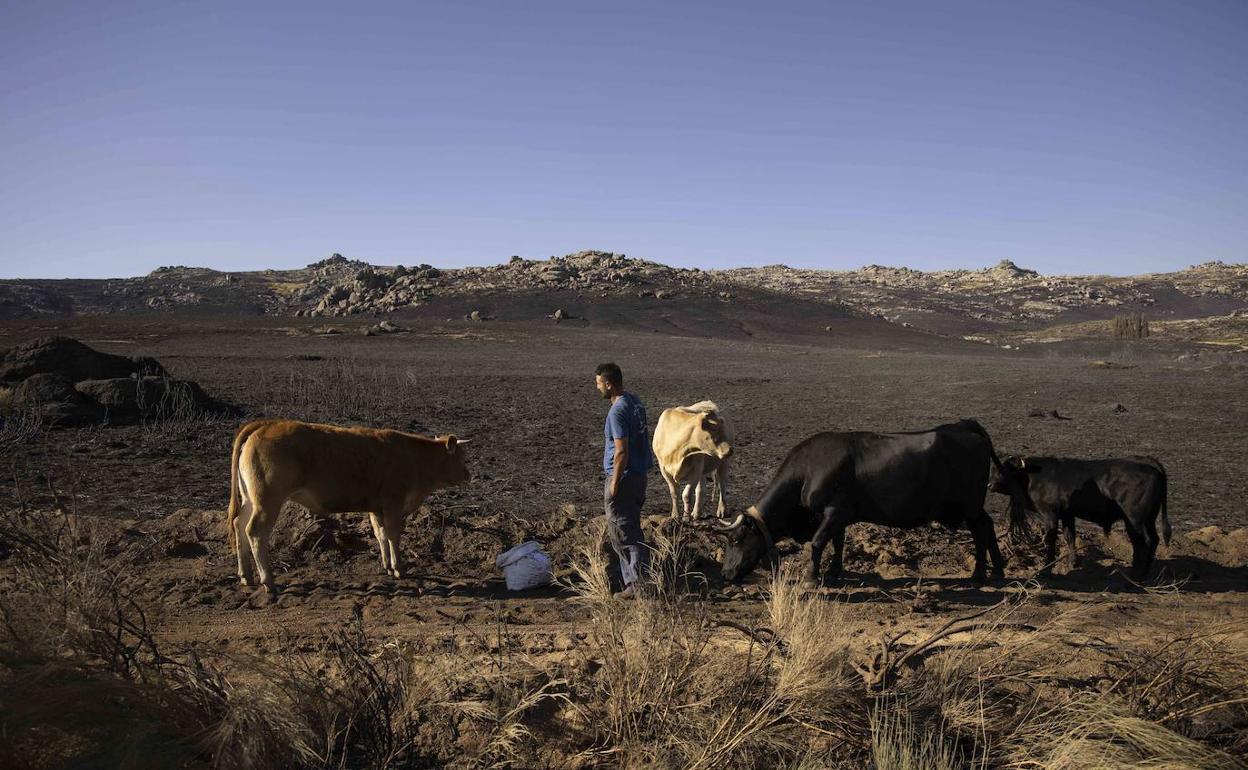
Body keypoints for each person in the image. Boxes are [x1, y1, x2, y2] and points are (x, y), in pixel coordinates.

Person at [594, 362, 652, 598]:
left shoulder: (617, 411)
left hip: (624, 478)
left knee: (623, 533)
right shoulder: (635, 402)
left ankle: (636, 584)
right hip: (639, 476)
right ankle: (636, 580)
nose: (597, 388)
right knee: (631, 528)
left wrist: (615, 482)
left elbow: (621, 451)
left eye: (598, 383)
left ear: (608, 384)